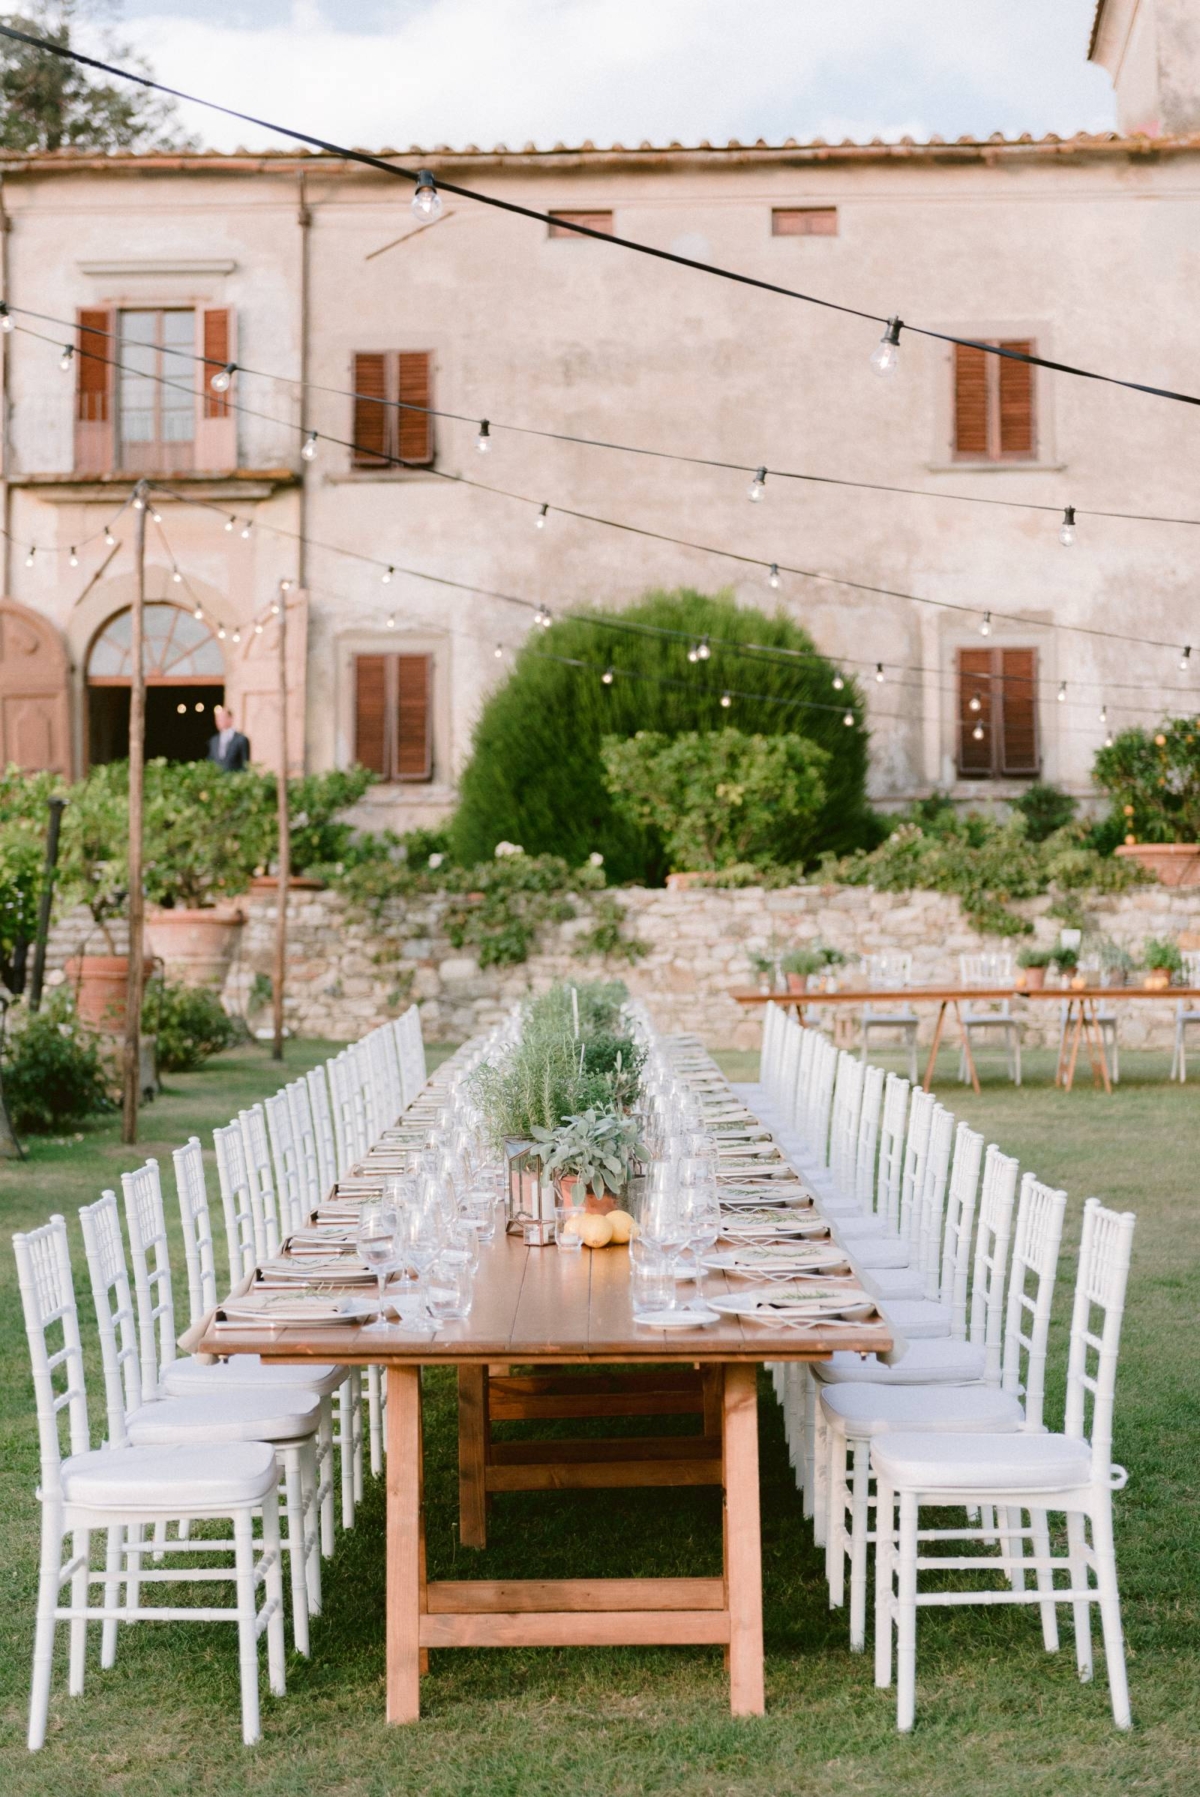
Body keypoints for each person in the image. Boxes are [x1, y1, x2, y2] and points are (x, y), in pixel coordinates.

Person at [207, 704, 251, 772]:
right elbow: (210, 761)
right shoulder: (214, 740)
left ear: (230, 719)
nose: (219, 721)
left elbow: (245, 765)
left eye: (222, 718)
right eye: (217, 718)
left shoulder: (241, 739)